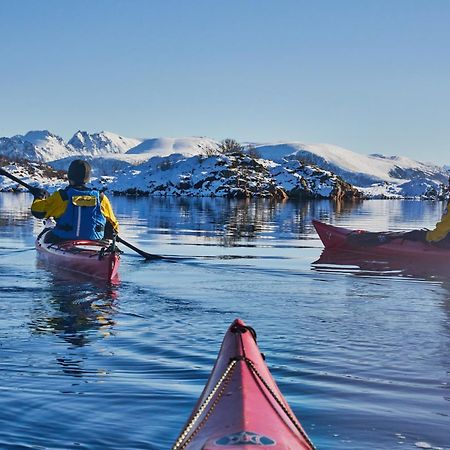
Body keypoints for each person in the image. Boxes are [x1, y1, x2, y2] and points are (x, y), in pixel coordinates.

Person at [30, 159, 119, 242]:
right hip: (95, 241)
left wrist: (40, 196)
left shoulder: (62, 196)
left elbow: (37, 211)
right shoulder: (101, 198)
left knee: (46, 234)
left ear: (70, 176)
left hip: (63, 239)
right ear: (87, 178)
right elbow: (114, 226)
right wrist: (111, 233)